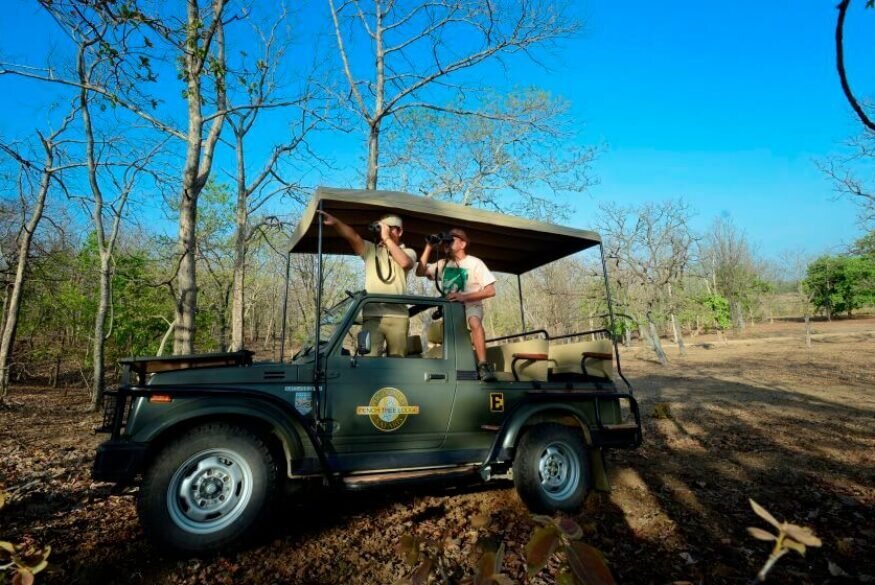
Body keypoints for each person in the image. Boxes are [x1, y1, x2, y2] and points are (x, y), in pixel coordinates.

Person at [318, 210, 416, 357]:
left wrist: (387, 239)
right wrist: (336, 222)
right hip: (373, 316)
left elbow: (405, 263)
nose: (385, 230)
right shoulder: (371, 249)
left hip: (398, 317)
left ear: (400, 231)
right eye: (383, 227)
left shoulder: (408, 251)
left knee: (398, 362)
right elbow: (353, 236)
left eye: (389, 227)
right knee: (369, 359)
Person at [416, 228, 497, 381]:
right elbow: (420, 272)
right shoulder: (443, 263)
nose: (447, 244)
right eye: (445, 242)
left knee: (474, 322)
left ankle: (483, 365)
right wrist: (428, 247)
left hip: (471, 305)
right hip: (450, 309)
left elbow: (490, 291)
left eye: (451, 241)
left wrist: (463, 297)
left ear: (463, 244)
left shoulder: (475, 263)